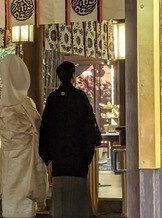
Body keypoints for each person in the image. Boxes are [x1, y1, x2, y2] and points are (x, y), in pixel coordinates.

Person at [39, 61, 102, 218]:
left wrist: (48, 159)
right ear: (73, 76)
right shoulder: (80, 97)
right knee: (78, 203)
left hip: (58, 161)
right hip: (77, 160)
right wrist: (87, 156)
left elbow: (45, 129)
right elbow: (89, 128)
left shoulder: (52, 99)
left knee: (60, 203)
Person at [0, 54, 48, 218]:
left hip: (17, 159)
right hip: (24, 158)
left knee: (20, 198)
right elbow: (38, 126)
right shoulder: (27, 104)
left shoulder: (4, 106)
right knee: (20, 197)